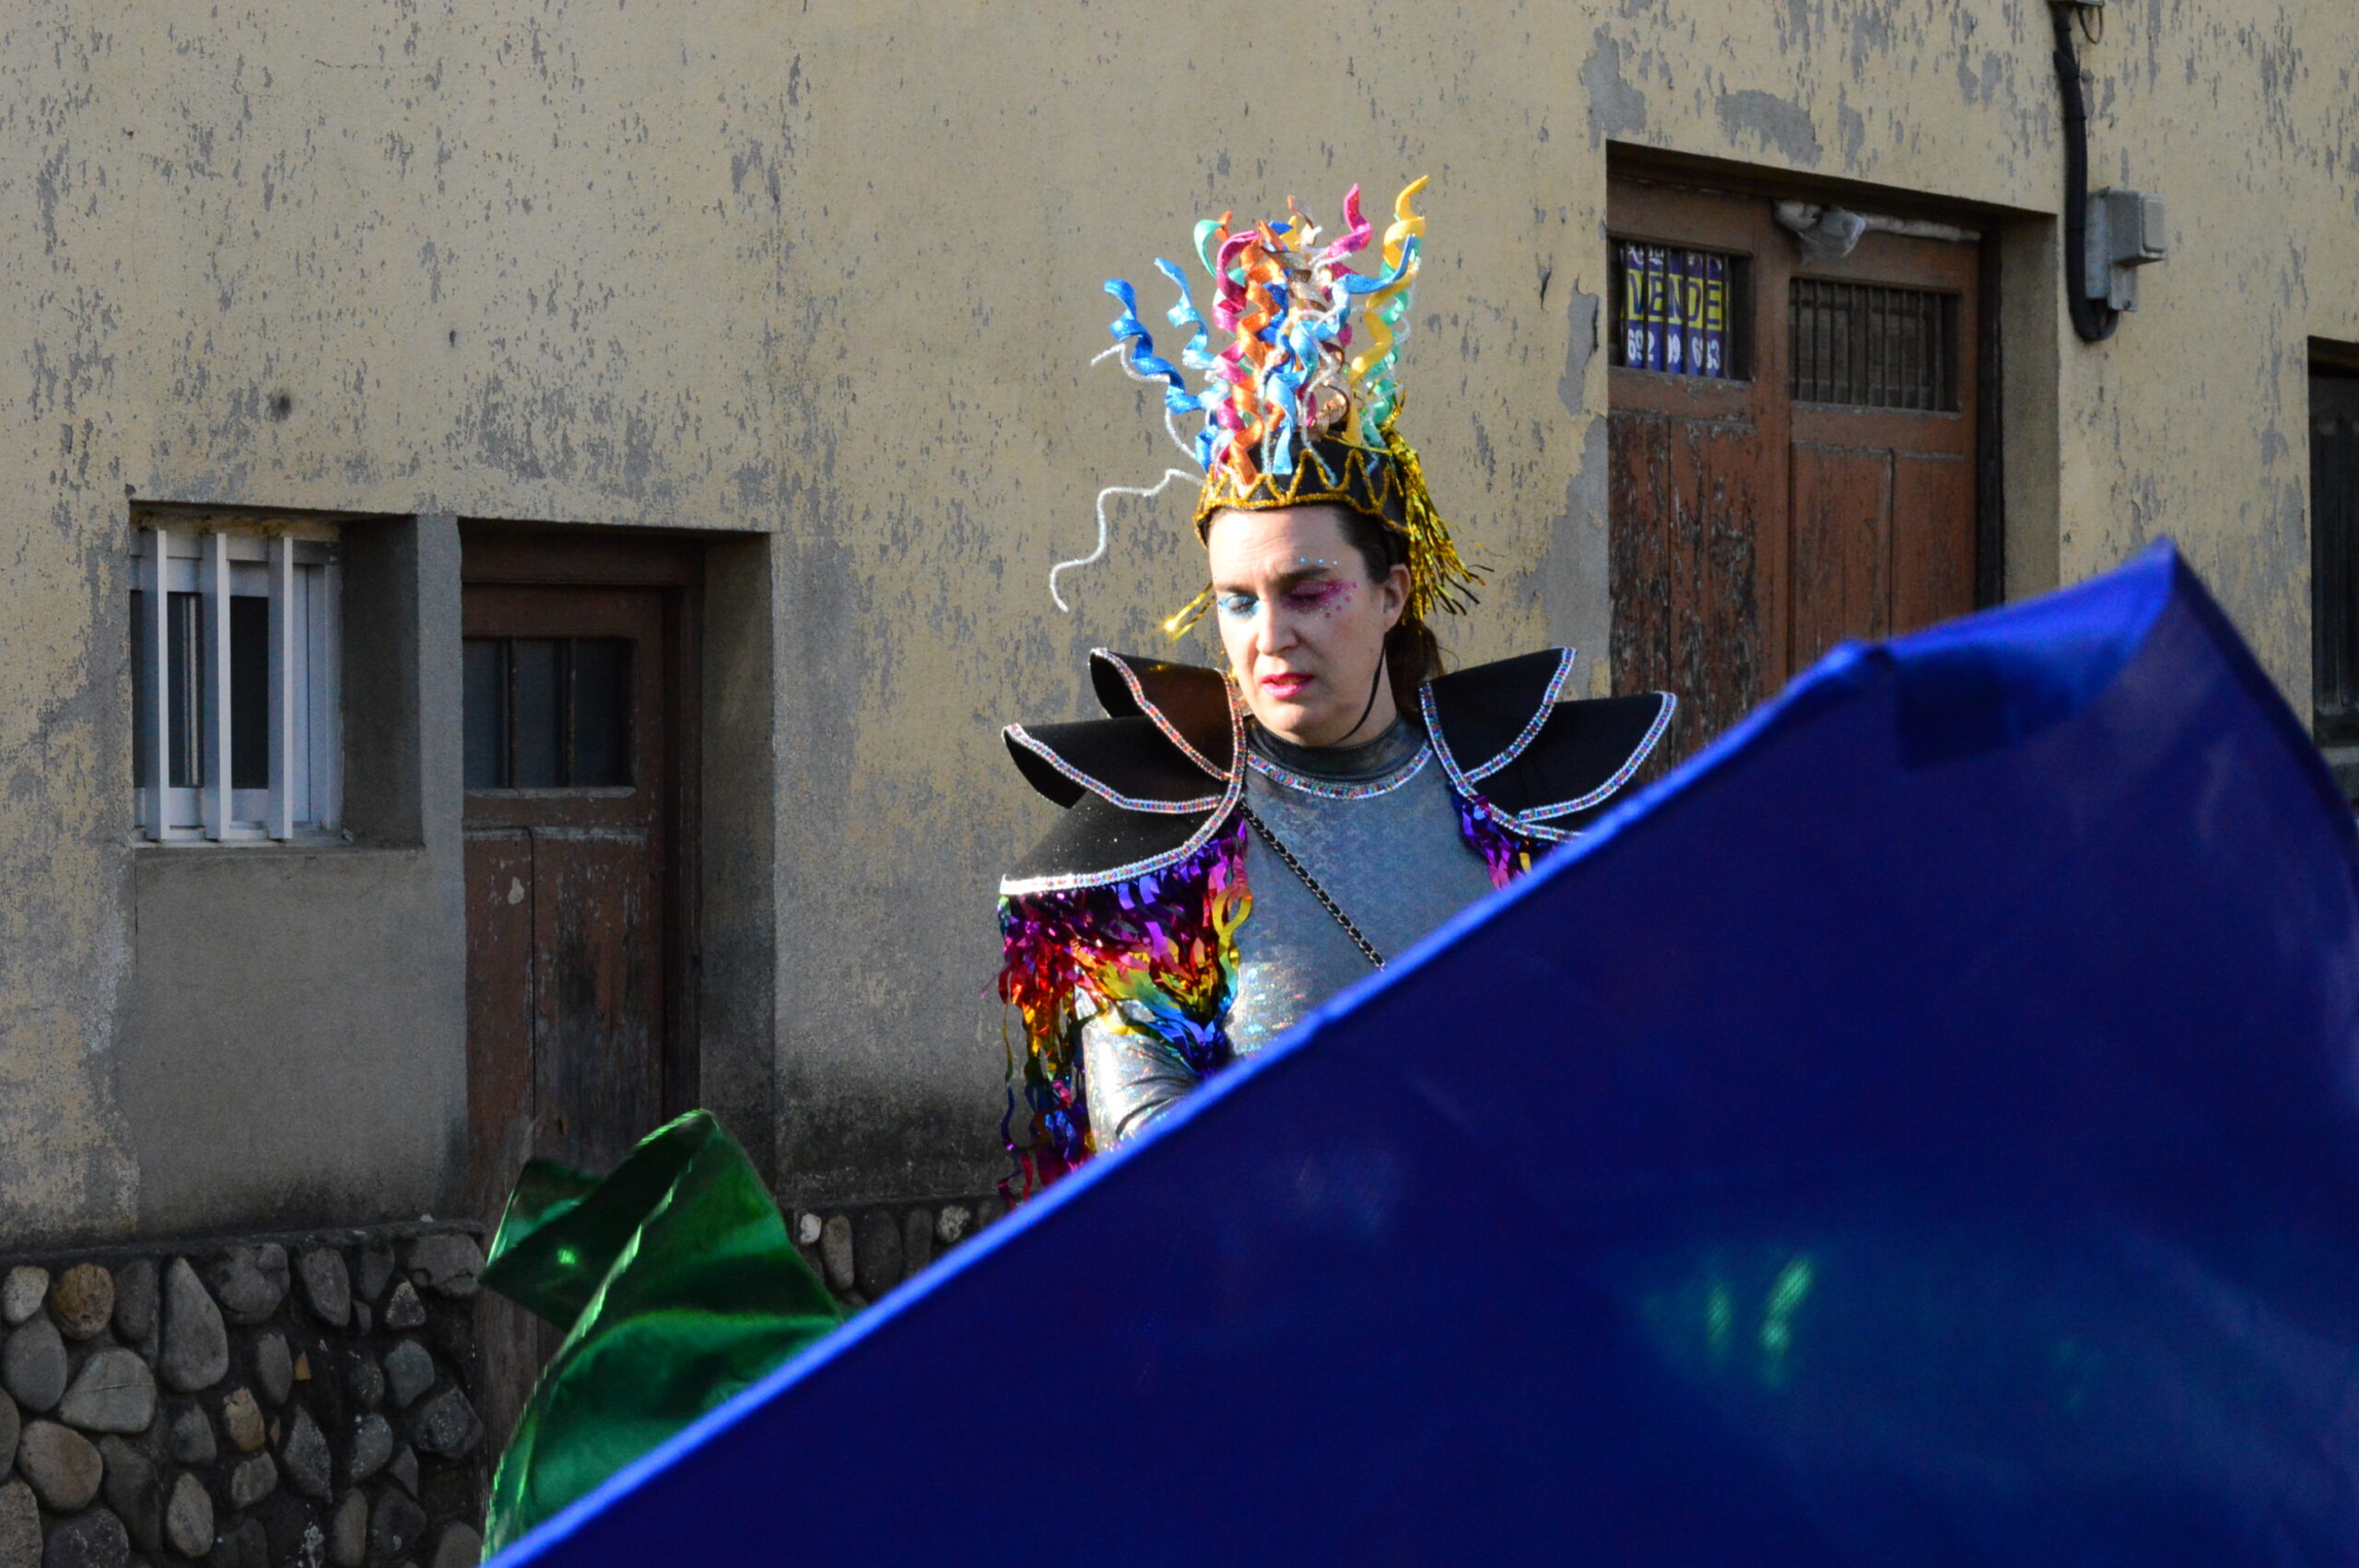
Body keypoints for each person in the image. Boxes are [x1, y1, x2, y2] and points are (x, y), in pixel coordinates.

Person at [997, 179, 1677, 1188]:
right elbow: (1143, 1134)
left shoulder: (1528, 814)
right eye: (1236, 601)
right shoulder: (1164, 840)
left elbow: (1625, 1056)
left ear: (1392, 592)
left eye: (1308, 592)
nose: (1270, 637)